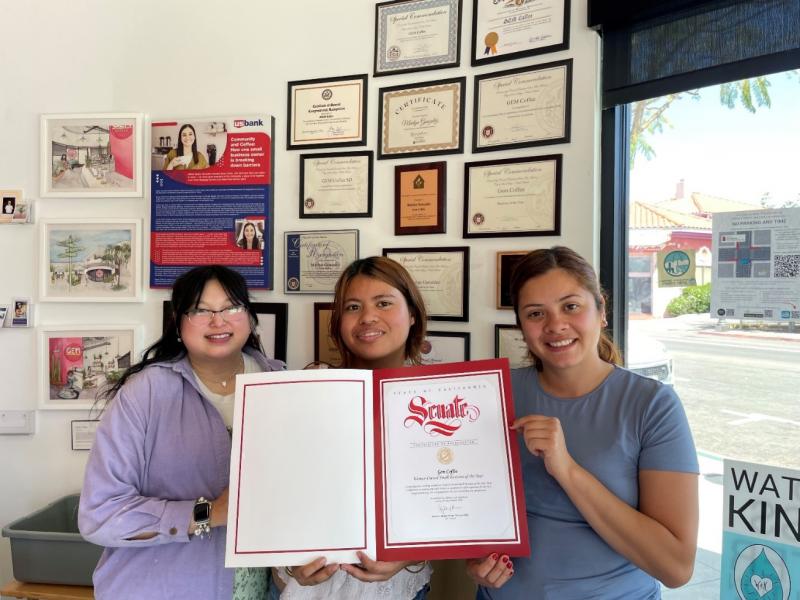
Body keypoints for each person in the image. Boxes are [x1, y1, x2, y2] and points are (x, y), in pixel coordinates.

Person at [468, 246, 699, 599]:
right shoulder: (491, 393)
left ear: (601, 311)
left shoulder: (652, 405)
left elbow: (676, 567)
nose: (555, 325)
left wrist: (567, 469)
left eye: (571, 306)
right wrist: (475, 559)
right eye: (535, 313)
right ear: (520, 325)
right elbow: (467, 508)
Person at [78, 265, 285, 600]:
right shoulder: (145, 392)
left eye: (231, 307)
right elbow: (100, 515)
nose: (218, 321)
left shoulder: (281, 382)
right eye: (201, 310)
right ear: (178, 321)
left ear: (249, 315)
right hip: (161, 589)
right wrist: (210, 512)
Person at [272, 256, 433, 600]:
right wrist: (289, 563)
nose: (368, 317)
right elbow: (277, 489)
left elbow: (447, 504)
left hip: (397, 591)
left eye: (384, 303)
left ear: (413, 314)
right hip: (310, 589)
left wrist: (407, 557)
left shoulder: (437, 399)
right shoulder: (308, 388)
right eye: (353, 306)